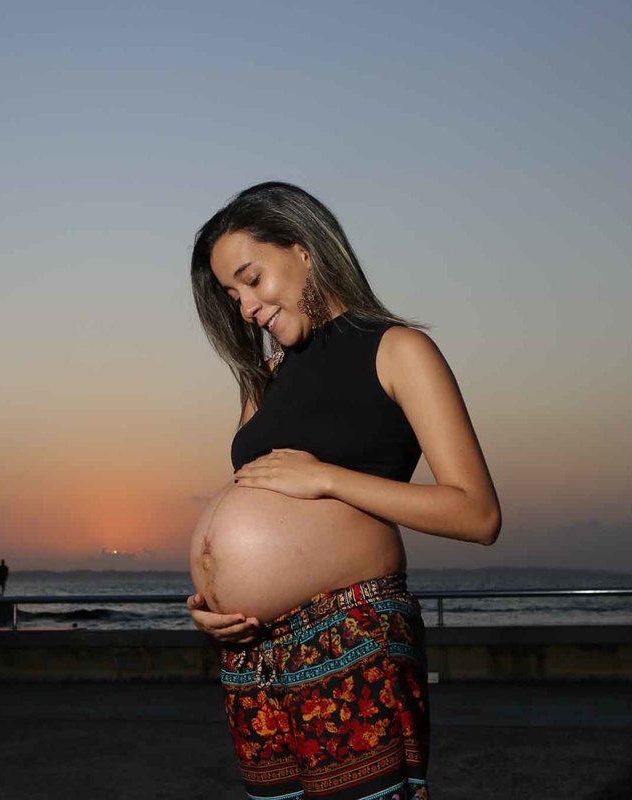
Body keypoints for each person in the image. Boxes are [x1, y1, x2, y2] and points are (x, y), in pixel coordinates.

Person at [185, 182, 501, 800]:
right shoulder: (264, 380)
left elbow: (477, 513)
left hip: (351, 633)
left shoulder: (398, 349)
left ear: (304, 250)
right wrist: (212, 599)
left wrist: (326, 477)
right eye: (232, 294)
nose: (246, 307)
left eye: (252, 280)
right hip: (254, 654)